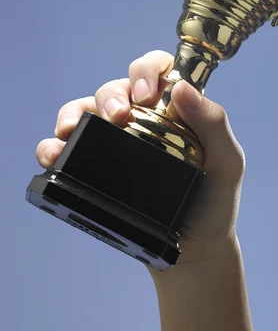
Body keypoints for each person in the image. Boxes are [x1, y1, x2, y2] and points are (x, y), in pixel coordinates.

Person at [35, 50, 254, 331]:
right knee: (123, 110)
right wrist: (200, 261)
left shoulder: (200, 241)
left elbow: (193, 251)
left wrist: (202, 259)